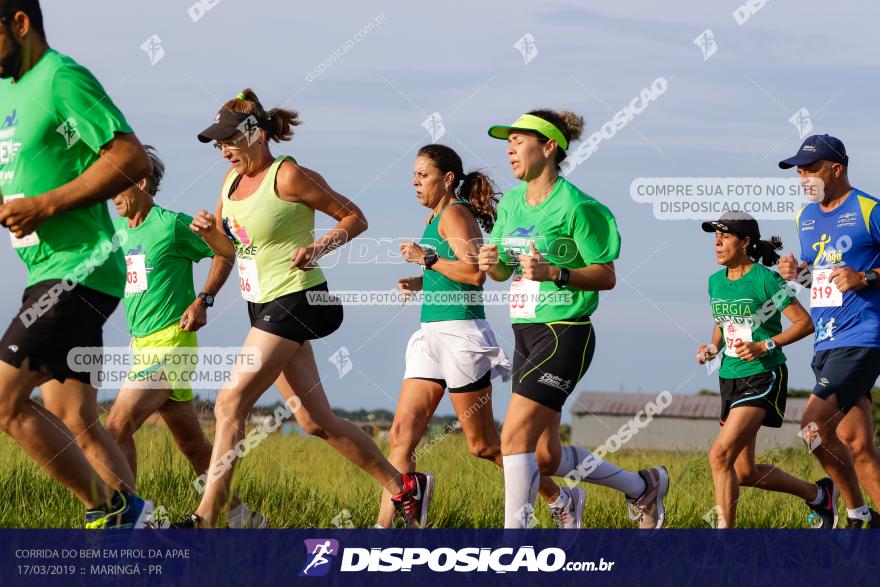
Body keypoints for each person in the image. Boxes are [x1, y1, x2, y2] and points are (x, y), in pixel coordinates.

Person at [175, 89, 431, 528]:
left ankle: (210, 516)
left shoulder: (287, 176)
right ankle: (404, 486)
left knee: (229, 402)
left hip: (298, 299)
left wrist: (318, 246)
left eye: (229, 141)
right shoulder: (230, 186)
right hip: (262, 306)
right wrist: (206, 245)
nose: (224, 151)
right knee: (314, 420)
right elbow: (229, 250)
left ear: (254, 133)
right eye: (218, 144)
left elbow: (354, 216)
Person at [0, 0, 154, 528]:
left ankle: (110, 509)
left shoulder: (61, 77)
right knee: (77, 419)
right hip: (45, 273)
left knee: (5, 403)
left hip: (81, 271)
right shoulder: (5, 92)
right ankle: (136, 539)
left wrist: (45, 205)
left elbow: (130, 158)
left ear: (19, 23)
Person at [375, 144, 584, 529]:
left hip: (461, 337)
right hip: (430, 334)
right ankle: (384, 531)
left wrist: (427, 259)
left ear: (448, 179)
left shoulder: (455, 215)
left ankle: (560, 497)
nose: (415, 182)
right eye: (414, 174)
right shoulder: (434, 218)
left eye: (423, 175)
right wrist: (424, 281)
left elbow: (475, 275)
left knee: (483, 445)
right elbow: (453, 271)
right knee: (401, 435)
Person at [478, 109, 669, 529]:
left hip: (566, 334)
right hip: (525, 332)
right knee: (544, 456)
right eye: (506, 142)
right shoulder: (511, 203)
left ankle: (515, 549)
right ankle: (644, 487)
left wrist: (556, 273)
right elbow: (502, 272)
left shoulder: (578, 207)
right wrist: (490, 262)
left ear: (548, 147)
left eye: (519, 140)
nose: (509, 148)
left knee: (511, 440)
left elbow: (607, 275)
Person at [103, 145, 267, 528]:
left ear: (141, 181)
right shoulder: (119, 233)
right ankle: (244, 518)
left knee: (116, 427)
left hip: (172, 343)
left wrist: (203, 299)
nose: (111, 196)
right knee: (192, 444)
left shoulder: (171, 224)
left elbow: (224, 253)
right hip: (140, 346)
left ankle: (130, 521)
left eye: (117, 185)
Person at [697, 212, 836, 528]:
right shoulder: (715, 282)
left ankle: (723, 543)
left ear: (745, 242)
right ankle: (819, 495)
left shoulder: (766, 280)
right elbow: (722, 324)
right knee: (744, 471)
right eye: (714, 236)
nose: (717, 242)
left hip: (763, 375)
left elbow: (805, 323)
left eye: (725, 236)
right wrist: (711, 348)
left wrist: (765, 345)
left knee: (719, 456)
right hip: (729, 378)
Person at [778, 134, 880, 528]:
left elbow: (856, 277)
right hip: (827, 339)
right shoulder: (806, 218)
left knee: (812, 426)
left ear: (836, 169)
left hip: (862, 337)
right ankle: (867, 518)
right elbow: (821, 279)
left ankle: (855, 515)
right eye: (798, 171)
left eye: (810, 168)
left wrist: (867, 276)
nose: (803, 177)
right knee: (859, 446)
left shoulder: (869, 208)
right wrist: (797, 274)